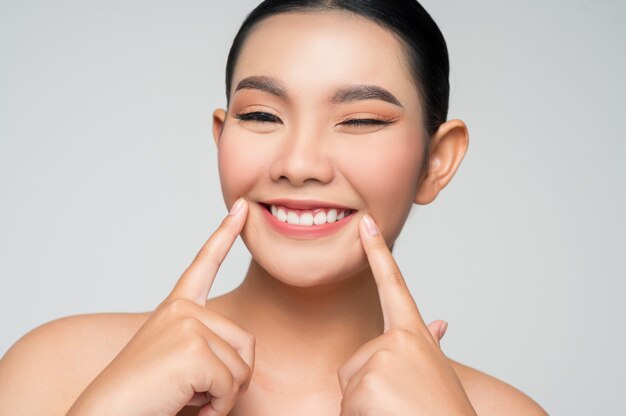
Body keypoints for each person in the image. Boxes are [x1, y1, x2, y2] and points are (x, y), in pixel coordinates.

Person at [0, 1, 548, 415]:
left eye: (361, 120)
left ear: (437, 162)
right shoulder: (61, 368)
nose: (300, 162)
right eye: (261, 116)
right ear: (221, 136)